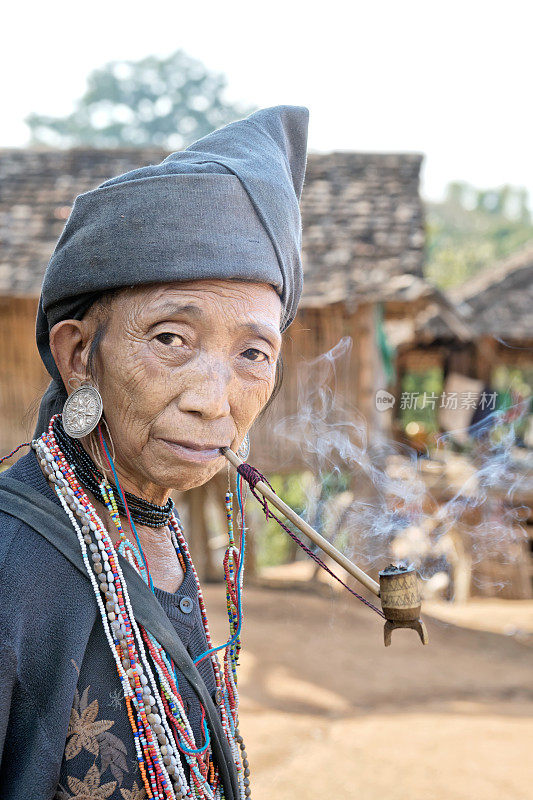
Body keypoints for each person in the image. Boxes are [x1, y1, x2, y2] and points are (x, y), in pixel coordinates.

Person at [0, 105, 309, 800]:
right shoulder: (8, 564)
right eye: (171, 338)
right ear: (80, 356)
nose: (213, 398)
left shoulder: (154, 526)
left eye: (252, 353)